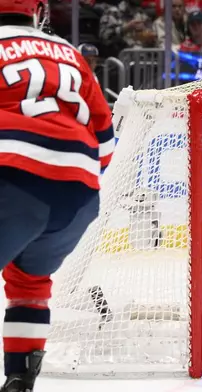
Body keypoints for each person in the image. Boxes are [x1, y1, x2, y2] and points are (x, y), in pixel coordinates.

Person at [0, 1, 115, 390]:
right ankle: (19, 378)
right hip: (78, 194)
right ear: (38, 11)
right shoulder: (69, 53)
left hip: (13, 175)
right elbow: (106, 141)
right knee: (29, 283)